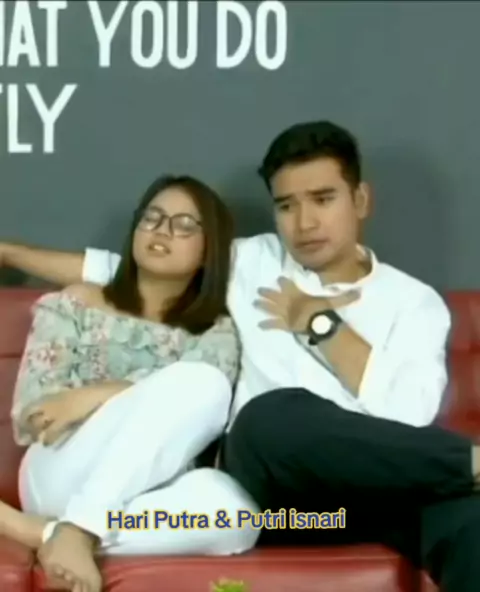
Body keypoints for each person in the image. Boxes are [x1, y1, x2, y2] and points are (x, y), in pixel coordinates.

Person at [2, 121, 480, 591]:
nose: (305, 223)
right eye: (287, 205)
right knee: (270, 416)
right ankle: (469, 462)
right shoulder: (252, 261)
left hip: (367, 495)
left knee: (470, 523)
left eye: (323, 199)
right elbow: (132, 267)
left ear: (360, 200)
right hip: (277, 496)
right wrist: (8, 253)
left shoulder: (413, 303)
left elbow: (409, 416)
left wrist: (323, 325)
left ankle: (58, 532)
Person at [0, 174, 260, 592]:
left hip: (147, 491)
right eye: (152, 218)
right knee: (200, 380)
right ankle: (80, 526)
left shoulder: (216, 333)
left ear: (208, 250)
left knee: (237, 512)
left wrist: (95, 394)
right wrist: (107, 404)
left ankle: (58, 535)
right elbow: (38, 415)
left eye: (184, 224)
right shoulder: (77, 304)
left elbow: (200, 413)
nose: (162, 230)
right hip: (60, 468)